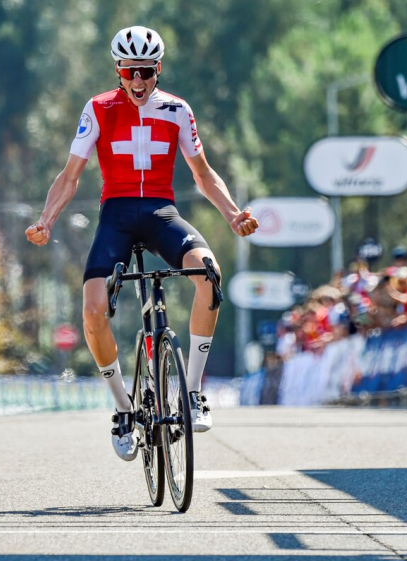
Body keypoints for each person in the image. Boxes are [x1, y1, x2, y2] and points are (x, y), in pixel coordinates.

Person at [25, 26, 259, 461]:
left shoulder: (176, 109)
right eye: (130, 71)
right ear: (118, 69)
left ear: (158, 69)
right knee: (93, 308)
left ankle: (192, 392)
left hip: (160, 213)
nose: (138, 81)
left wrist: (233, 215)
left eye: (146, 72)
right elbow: (70, 175)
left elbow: (203, 174)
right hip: (116, 216)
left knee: (209, 274)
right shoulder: (97, 108)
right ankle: (123, 410)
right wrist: (45, 220)